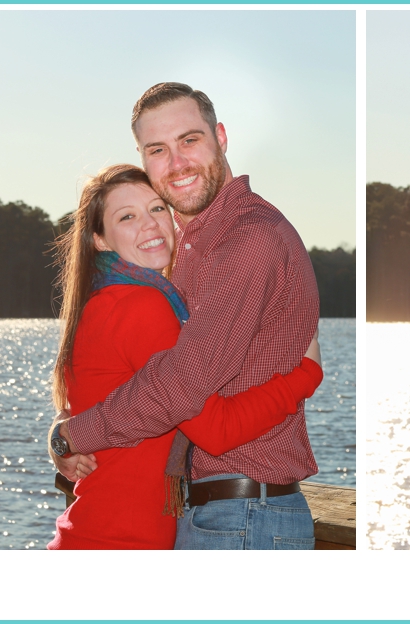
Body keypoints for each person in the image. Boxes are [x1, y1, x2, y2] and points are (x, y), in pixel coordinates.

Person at [49, 82, 322, 550]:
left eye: (189, 141)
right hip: (214, 514)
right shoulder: (176, 261)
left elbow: (178, 390)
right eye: (157, 150)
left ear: (220, 136)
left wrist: (73, 434)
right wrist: (63, 434)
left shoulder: (248, 239)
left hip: (245, 514)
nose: (176, 163)